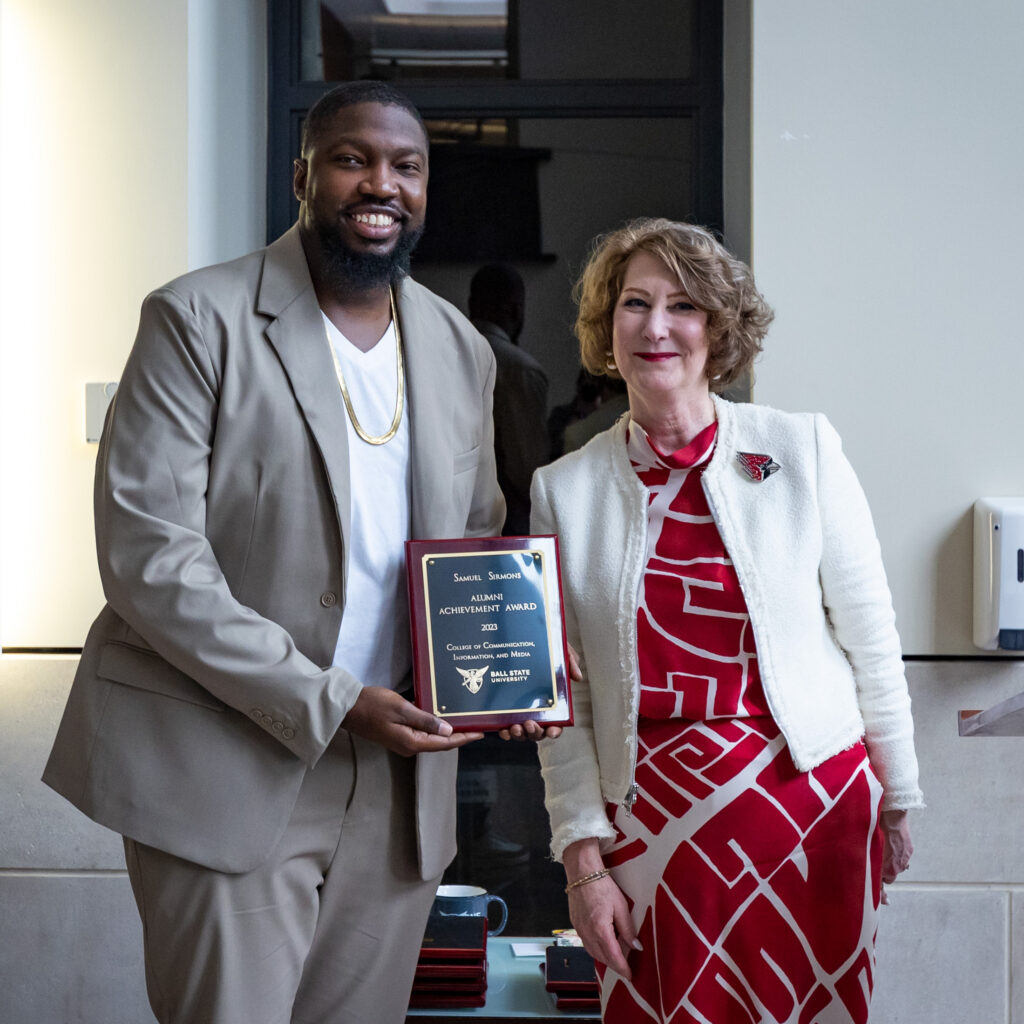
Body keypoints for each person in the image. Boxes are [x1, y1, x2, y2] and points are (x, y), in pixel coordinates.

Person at [42, 81, 507, 1024]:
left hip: (399, 784)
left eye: (406, 166)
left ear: (425, 191)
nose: (382, 183)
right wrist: (332, 701)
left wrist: (508, 671)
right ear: (303, 176)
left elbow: (479, 539)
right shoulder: (195, 320)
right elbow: (150, 558)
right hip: (227, 763)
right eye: (353, 159)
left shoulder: (462, 349)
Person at [531, 219, 923, 1023]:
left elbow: (870, 635)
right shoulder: (562, 490)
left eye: (684, 305)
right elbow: (561, 703)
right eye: (634, 303)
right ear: (610, 328)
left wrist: (900, 792)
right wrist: (583, 861)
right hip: (650, 826)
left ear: (718, 328)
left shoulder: (801, 449)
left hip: (808, 810)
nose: (657, 325)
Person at [468, 263, 549, 535]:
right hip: (508, 522)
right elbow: (528, 468)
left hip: (452, 517)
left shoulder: (440, 357)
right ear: (516, 310)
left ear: (470, 305)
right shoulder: (520, 369)